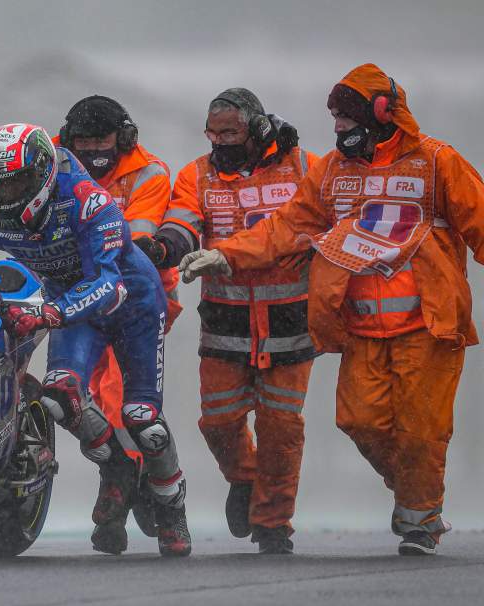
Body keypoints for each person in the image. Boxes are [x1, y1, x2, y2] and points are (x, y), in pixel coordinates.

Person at [179, 64, 484, 556]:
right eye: (336, 118)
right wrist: (226, 253)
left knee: (421, 429)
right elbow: (284, 227)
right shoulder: (331, 173)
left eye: (347, 117)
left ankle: (418, 521)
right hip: (359, 327)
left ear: (383, 115)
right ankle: (415, 494)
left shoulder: (436, 163)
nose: (338, 127)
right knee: (357, 421)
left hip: (427, 326)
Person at [0, 122, 191, 556]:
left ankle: (171, 505)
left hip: (131, 304)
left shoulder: (88, 203)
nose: (6, 197)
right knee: (58, 397)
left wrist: (51, 311)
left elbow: (110, 284)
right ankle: (117, 467)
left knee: (142, 417)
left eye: (18, 184)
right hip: (71, 309)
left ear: (43, 175)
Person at [136, 88, 319, 553]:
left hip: (289, 321)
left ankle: (273, 524)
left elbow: (335, 219)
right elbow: (182, 222)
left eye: (230, 133)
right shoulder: (196, 174)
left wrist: (320, 254)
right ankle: (244, 479)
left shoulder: (305, 167)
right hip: (225, 321)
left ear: (256, 129)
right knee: (217, 422)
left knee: (280, 426)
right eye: (212, 133)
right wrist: (161, 248)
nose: (219, 142)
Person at [56, 95, 177, 538]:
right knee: (71, 397)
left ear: (123, 137)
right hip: (73, 297)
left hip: (138, 298)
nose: (90, 150)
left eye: (100, 140)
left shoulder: (150, 173)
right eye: (81, 141)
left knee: (122, 402)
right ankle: (127, 480)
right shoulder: (48, 160)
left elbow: (138, 236)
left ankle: (133, 493)